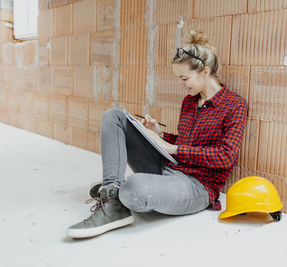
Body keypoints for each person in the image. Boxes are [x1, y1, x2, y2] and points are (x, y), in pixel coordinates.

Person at [66, 30, 248, 239]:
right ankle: (112, 196)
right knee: (114, 116)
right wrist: (160, 135)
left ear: (205, 72)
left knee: (134, 187)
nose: (182, 84)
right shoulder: (190, 101)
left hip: (197, 186)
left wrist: (174, 148)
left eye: (184, 78)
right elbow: (186, 142)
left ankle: (121, 192)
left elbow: (226, 156)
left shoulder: (235, 104)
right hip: (167, 165)